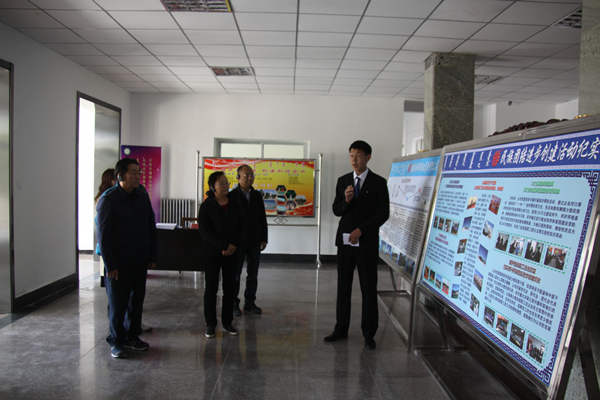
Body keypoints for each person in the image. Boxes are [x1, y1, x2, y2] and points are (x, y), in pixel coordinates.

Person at [324, 140, 390, 350]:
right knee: (343, 286)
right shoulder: (343, 180)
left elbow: (383, 213)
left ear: (368, 157)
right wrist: (346, 200)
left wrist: (361, 229)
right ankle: (341, 328)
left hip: (366, 242)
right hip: (345, 242)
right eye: (351, 155)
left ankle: (369, 333)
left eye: (359, 155)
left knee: (368, 288)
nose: (354, 159)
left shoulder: (378, 182)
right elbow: (336, 210)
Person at [96, 158, 158, 358]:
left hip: (139, 259)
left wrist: (152, 254)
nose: (138, 175)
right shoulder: (109, 199)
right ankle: (117, 340)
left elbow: (150, 226)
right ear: (120, 175)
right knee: (118, 303)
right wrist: (110, 264)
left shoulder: (141, 196)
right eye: (133, 172)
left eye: (139, 172)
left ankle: (133, 336)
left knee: (136, 301)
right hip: (119, 262)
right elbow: (103, 237)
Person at [198, 171, 245, 338]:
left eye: (226, 183)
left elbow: (241, 226)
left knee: (230, 289)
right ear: (212, 187)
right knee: (211, 289)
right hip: (212, 253)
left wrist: (232, 246)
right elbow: (205, 232)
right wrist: (224, 246)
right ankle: (211, 323)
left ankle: (227, 322)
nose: (225, 186)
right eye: (221, 184)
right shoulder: (206, 206)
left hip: (232, 252)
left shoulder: (235, 203)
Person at [231, 164, 268, 316]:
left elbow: (262, 218)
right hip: (238, 242)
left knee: (253, 274)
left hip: (254, 240)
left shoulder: (257, 195)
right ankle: (233, 304)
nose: (250, 178)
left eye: (252, 175)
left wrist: (264, 238)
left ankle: (250, 302)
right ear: (238, 177)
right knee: (235, 275)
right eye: (246, 175)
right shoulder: (232, 195)